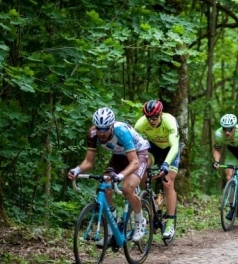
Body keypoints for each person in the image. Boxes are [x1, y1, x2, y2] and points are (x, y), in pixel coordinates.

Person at [68, 107, 150, 242]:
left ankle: (140, 220)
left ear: (112, 126)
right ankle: (113, 224)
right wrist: (77, 170)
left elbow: (134, 162)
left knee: (127, 188)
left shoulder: (122, 132)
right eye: (99, 128)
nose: (102, 132)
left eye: (105, 128)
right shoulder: (93, 133)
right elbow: (89, 162)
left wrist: (121, 176)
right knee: (105, 184)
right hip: (118, 156)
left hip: (139, 154)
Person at [134, 100, 180, 239]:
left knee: (167, 182)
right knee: (141, 172)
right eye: (148, 118)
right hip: (154, 149)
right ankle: (152, 200)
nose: (151, 121)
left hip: (171, 149)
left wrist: (166, 164)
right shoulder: (140, 124)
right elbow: (133, 144)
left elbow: (174, 147)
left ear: (160, 114)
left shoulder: (169, 121)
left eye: (154, 117)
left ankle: (170, 223)